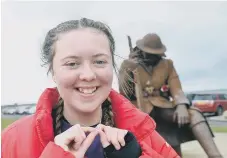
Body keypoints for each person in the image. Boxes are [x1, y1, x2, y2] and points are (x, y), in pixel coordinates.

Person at [1, 18, 180, 158]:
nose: (88, 75)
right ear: (53, 72)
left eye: (100, 61)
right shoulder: (13, 139)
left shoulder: (145, 135)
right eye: (72, 63)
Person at [119, 33, 223, 158]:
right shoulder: (129, 64)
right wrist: (128, 70)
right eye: (150, 53)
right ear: (142, 51)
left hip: (162, 106)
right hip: (139, 107)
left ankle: (215, 155)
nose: (154, 57)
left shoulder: (167, 64)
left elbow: (176, 88)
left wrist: (181, 105)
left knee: (194, 114)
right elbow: (124, 93)